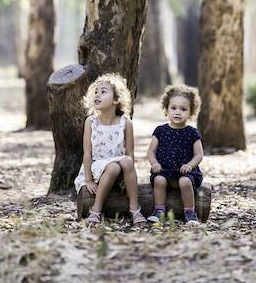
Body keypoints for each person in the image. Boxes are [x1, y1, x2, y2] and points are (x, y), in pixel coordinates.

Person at [74, 73, 145, 227]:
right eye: (96, 92)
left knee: (125, 161)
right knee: (113, 167)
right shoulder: (91, 122)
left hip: (121, 169)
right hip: (96, 168)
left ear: (116, 99)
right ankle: (96, 209)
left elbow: (130, 154)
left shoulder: (125, 123)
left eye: (103, 91)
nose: (97, 95)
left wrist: (126, 179)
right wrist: (88, 180)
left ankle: (134, 208)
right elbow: (87, 154)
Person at [146, 83, 204, 225]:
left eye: (183, 109)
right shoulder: (160, 130)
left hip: (186, 173)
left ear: (191, 112)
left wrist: (190, 165)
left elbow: (199, 155)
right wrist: (154, 164)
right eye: (173, 108)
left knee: (184, 182)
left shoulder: (192, 132)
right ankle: (159, 211)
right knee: (159, 181)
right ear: (166, 109)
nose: (178, 112)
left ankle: (190, 212)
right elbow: (151, 152)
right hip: (164, 170)